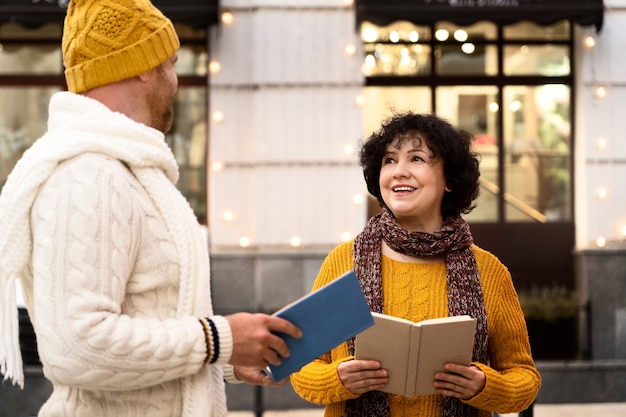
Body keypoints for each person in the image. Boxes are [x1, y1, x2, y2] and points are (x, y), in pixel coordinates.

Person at [0, 0, 301, 416]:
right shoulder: (89, 174)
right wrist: (220, 338)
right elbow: (77, 347)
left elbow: (151, 320)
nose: (175, 79)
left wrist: (226, 356)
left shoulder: (122, 169)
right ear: (143, 64)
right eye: (171, 62)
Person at [290, 112, 541, 417]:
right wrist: (337, 378)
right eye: (389, 160)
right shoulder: (345, 262)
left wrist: (485, 386)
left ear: (449, 180)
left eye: (417, 159)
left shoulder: (488, 271)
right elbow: (301, 367)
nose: (399, 172)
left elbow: (524, 378)